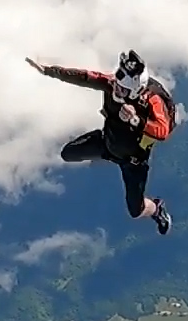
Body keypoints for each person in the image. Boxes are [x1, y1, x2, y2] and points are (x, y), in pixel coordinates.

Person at [26, 50, 176, 235]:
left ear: (136, 91)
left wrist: (136, 120)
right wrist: (49, 71)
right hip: (107, 143)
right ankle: (107, 150)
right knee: (68, 154)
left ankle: (157, 208)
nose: (117, 90)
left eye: (123, 89)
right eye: (117, 85)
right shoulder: (112, 84)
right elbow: (85, 77)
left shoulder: (152, 99)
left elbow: (163, 131)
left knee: (136, 211)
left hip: (133, 162)